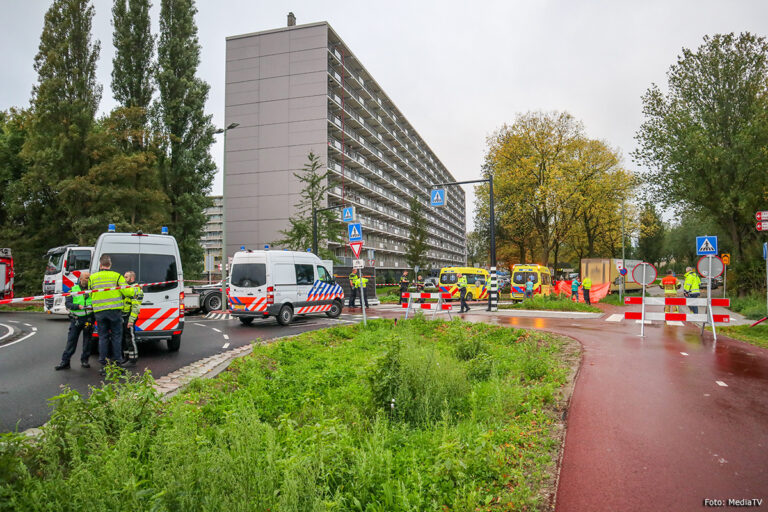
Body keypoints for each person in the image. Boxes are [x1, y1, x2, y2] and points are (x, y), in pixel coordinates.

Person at [89, 254, 131, 376]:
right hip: (114, 311)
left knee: (103, 337)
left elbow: (91, 292)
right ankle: (117, 363)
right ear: (110, 264)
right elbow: (126, 291)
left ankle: (103, 365)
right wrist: (135, 290)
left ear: (100, 265)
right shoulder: (117, 276)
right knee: (116, 337)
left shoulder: (93, 277)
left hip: (100, 311)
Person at [55, 272, 93, 370]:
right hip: (76, 318)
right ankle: (65, 362)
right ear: (81, 279)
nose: (88, 280)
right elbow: (68, 304)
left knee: (87, 341)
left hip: (88, 318)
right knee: (71, 341)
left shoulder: (93, 290)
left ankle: (85, 361)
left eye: (89, 278)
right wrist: (78, 307)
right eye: (86, 278)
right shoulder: (73, 290)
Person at [120, 271, 142, 368]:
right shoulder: (126, 288)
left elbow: (136, 307)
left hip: (130, 316)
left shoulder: (136, 289)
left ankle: (133, 359)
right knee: (125, 338)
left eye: (126, 277)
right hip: (124, 315)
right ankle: (126, 357)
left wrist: (131, 320)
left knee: (130, 337)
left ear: (132, 279)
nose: (124, 279)